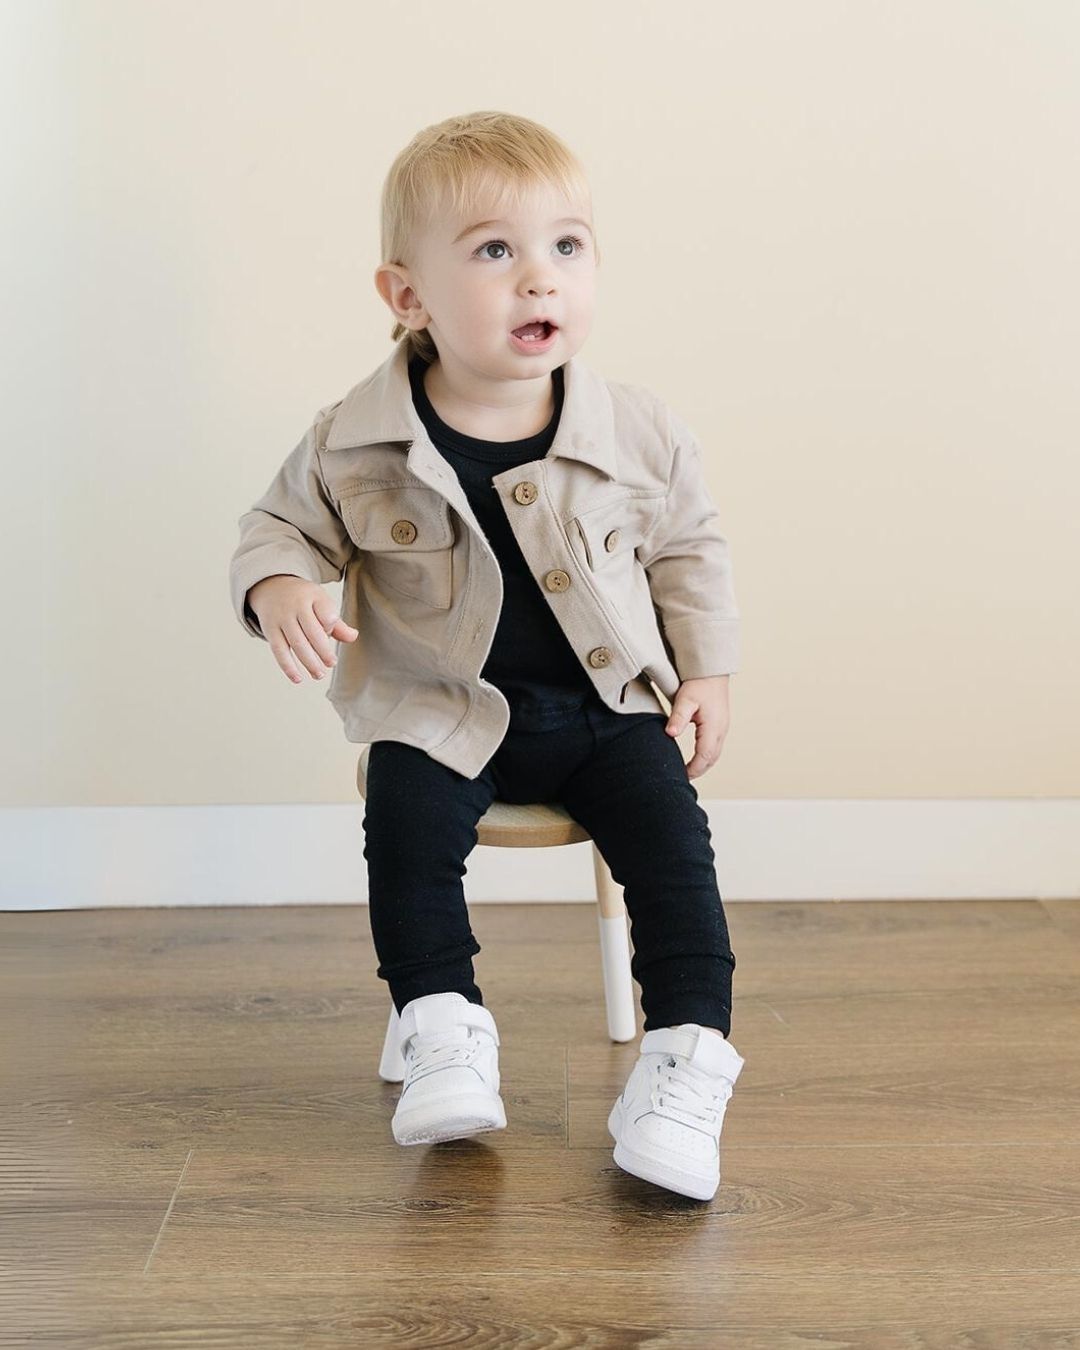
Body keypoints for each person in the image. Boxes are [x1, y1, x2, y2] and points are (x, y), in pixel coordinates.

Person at [228, 110, 746, 1201]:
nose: (539, 278)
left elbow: (690, 550)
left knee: (673, 850)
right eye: (495, 250)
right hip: (441, 712)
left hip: (608, 714)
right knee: (405, 830)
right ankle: (443, 1025)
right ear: (407, 295)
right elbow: (278, 528)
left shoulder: (640, 432)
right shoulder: (351, 438)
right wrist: (279, 588)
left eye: (568, 245)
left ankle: (685, 1062)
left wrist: (705, 671)